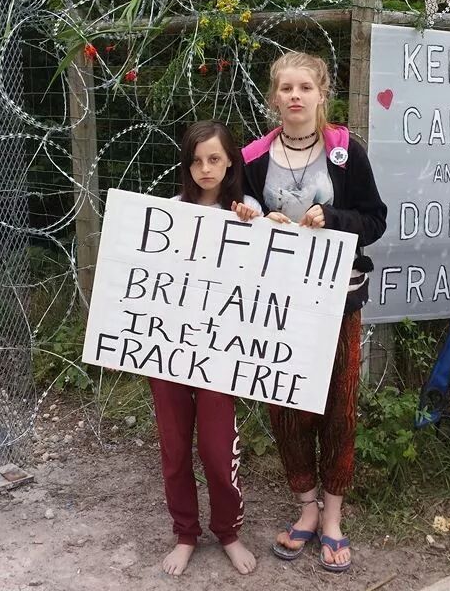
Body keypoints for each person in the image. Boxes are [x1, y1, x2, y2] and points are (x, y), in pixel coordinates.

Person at [241, 51, 387, 573]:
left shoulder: (346, 152)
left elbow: (375, 220)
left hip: (340, 300)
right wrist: (260, 217)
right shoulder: (253, 157)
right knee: (286, 408)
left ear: (323, 94)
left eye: (306, 87)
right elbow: (240, 217)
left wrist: (334, 218)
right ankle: (304, 507)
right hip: (279, 303)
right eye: (286, 88)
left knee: (339, 406)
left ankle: (332, 517)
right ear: (274, 96)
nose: (295, 96)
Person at [149, 120, 262, 576]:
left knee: (217, 450)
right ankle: (185, 533)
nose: (205, 168)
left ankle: (228, 531)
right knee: (175, 448)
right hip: (171, 347)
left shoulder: (248, 211)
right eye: (196, 160)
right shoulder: (169, 211)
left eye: (214, 158)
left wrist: (256, 228)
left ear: (231, 160)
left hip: (220, 353)